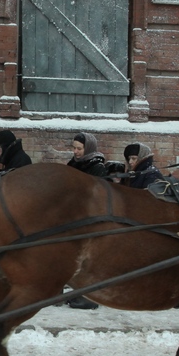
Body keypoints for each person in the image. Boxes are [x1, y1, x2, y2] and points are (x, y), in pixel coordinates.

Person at [65, 132, 107, 309]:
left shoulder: (97, 167)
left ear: (88, 148)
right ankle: (77, 291)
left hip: (90, 218)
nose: (76, 151)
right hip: (73, 216)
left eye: (79, 148)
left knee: (89, 259)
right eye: (74, 148)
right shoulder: (72, 164)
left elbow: (98, 196)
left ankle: (90, 297)